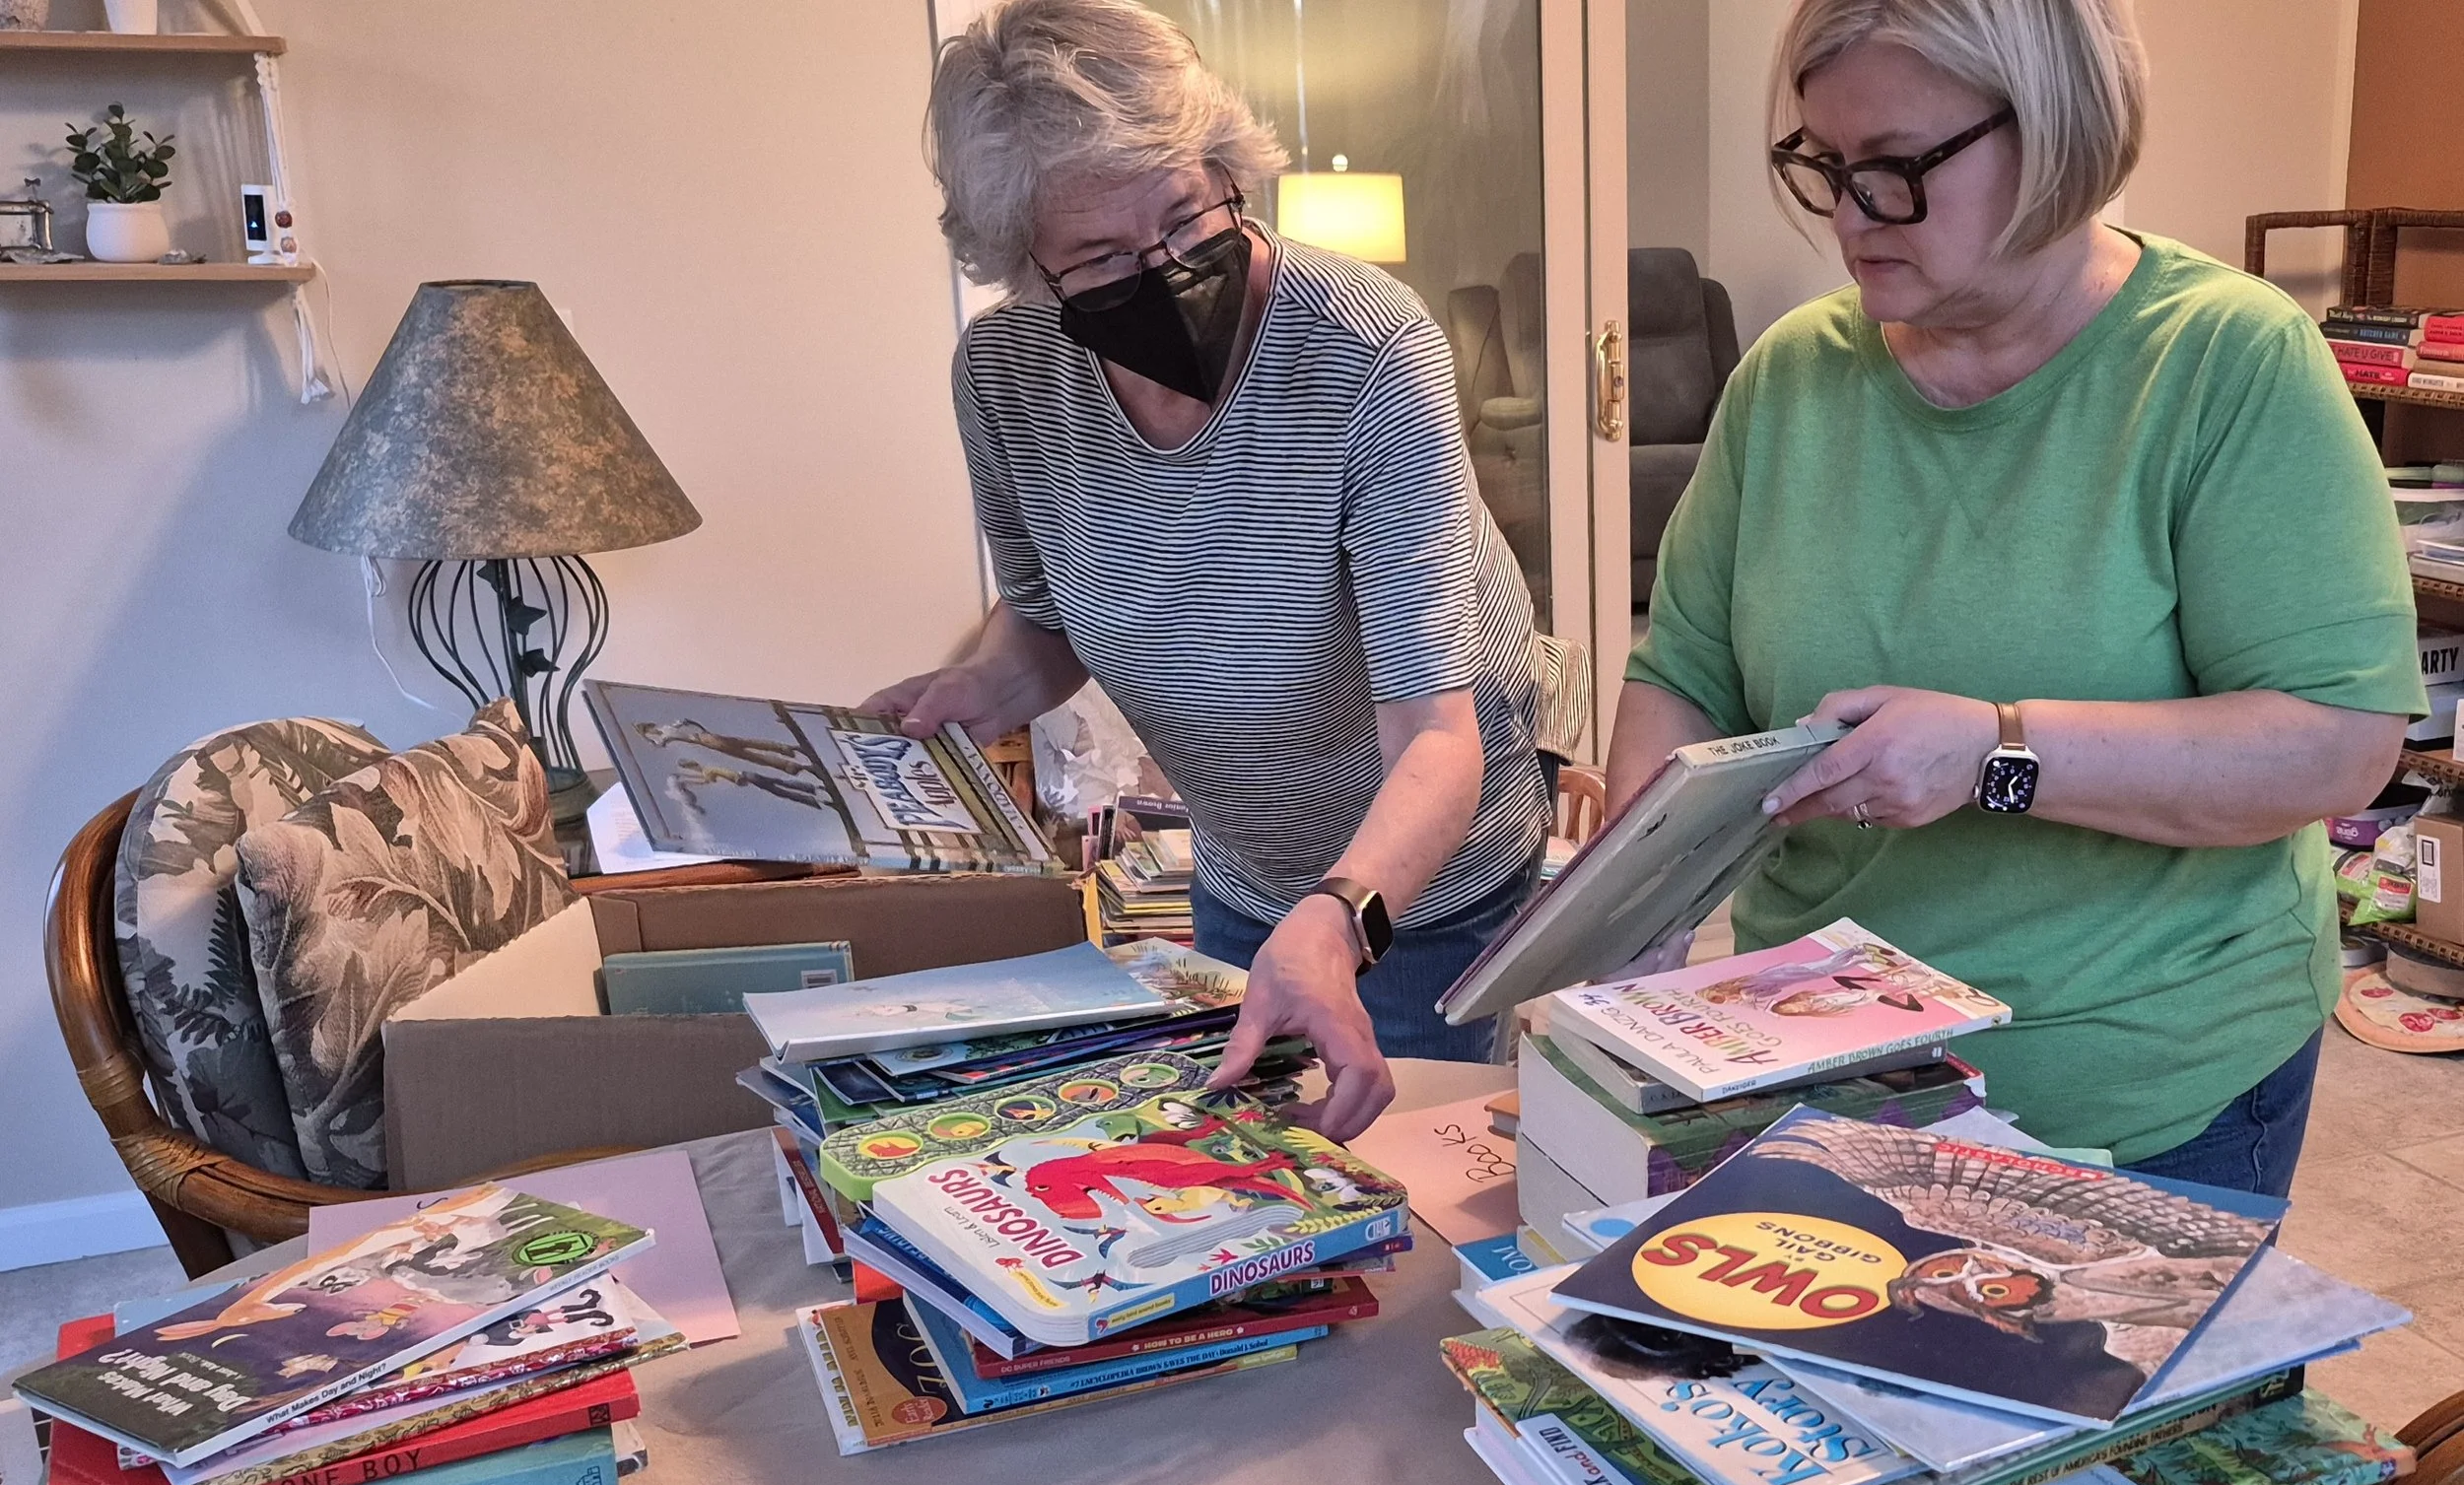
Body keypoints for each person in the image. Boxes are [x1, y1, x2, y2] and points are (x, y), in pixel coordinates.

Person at [1605, 0, 2424, 1198]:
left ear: (2055, 137)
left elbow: (2334, 748)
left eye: (1890, 170)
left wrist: (1994, 751)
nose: (1846, 213)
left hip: (2140, 1083)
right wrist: (1637, 896)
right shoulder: (1790, 375)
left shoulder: (2226, 364)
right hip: (1815, 1062)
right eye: (1823, 164)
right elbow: (1680, 671)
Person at [867, 0, 1549, 1141]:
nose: (1172, 271)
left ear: (1228, 166)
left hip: (1415, 892)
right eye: (1100, 259)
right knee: (1253, 1183)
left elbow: (1437, 737)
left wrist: (1339, 915)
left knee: (1407, 1201)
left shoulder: (1367, 349)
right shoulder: (1006, 374)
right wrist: (967, 695)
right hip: (1240, 879)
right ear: (1025, 265)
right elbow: (1046, 620)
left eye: (1189, 217)